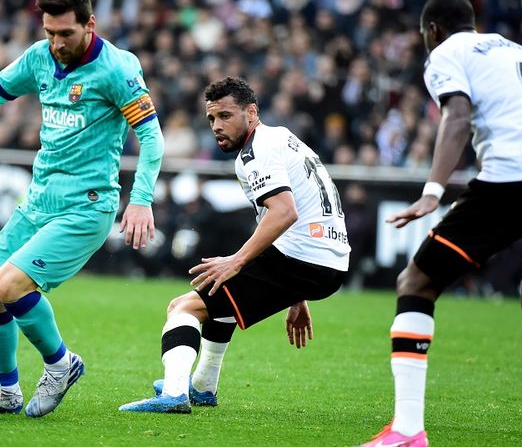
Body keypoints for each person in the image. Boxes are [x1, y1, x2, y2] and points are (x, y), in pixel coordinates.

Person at [361, 0, 522, 447]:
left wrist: (432, 190)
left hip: (513, 177)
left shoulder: (446, 53)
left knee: (416, 282)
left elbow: (457, 118)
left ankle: (406, 431)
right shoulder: (521, 53)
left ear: (432, 31)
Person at [0, 0, 164, 418]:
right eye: (49, 32)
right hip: (38, 201)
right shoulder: (40, 56)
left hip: (87, 205)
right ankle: (8, 390)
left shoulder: (118, 69)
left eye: (65, 33)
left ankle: (61, 365)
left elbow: (151, 137)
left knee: (12, 285)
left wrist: (140, 199)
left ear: (90, 24)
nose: (56, 43)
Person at [118, 76, 350, 413]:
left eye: (226, 116)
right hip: (330, 261)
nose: (216, 126)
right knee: (217, 289)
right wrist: (296, 293)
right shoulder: (283, 137)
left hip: (303, 259)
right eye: (211, 118)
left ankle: (173, 394)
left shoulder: (255, 153)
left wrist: (237, 261)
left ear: (251, 112)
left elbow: (284, 212)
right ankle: (202, 386)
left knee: (182, 307)